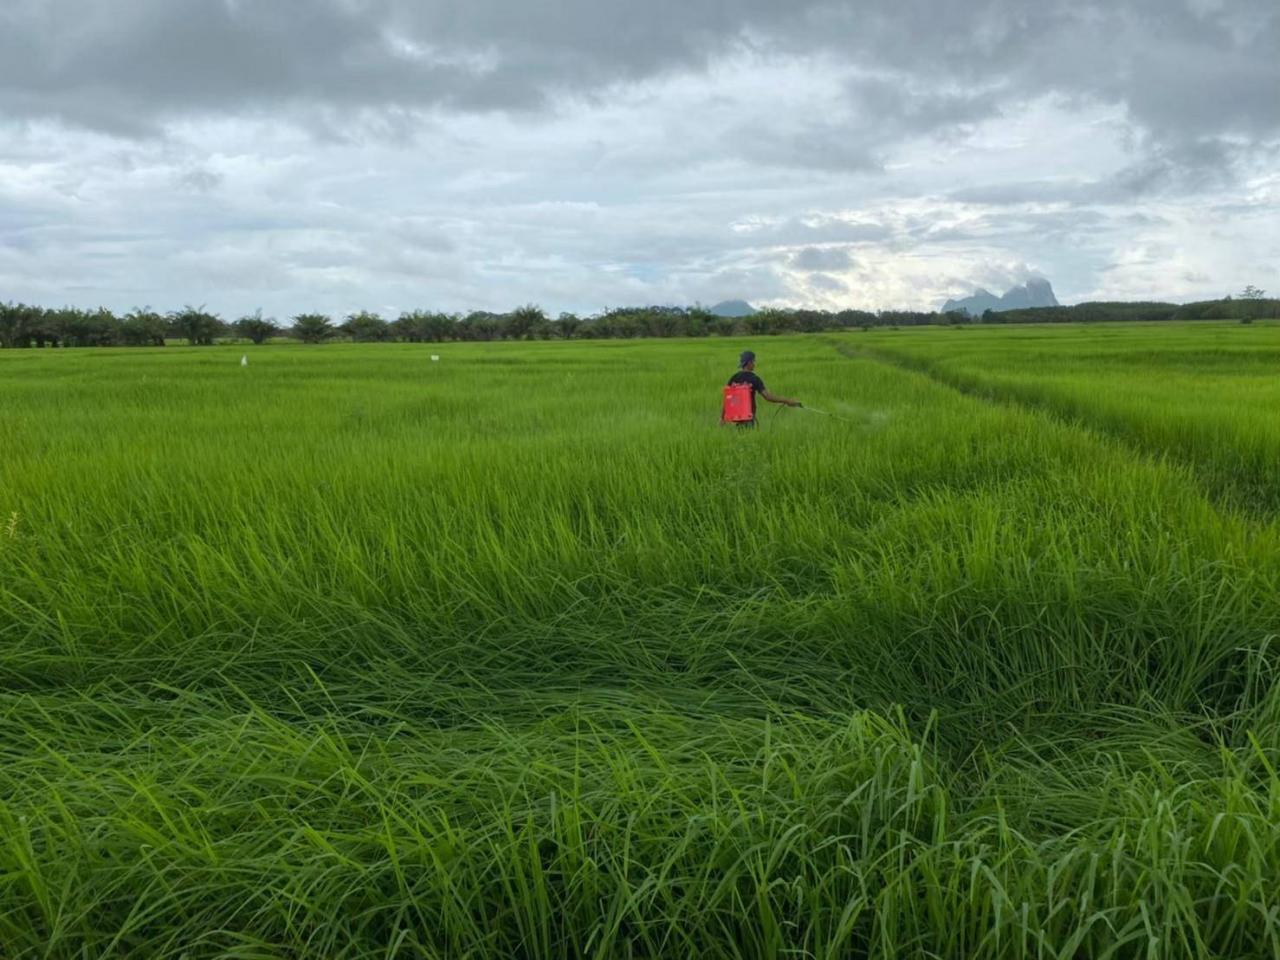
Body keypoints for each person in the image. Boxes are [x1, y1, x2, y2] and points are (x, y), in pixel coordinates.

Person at [727, 350, 801, 426]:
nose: (754, 364)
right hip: (749, 418)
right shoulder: (754, 378)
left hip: (737, 418)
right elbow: (768, 397)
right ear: (749, 363)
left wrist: (722, 418)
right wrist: (787, 400)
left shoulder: (734, 378)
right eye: (753, 362)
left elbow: (727, 399)